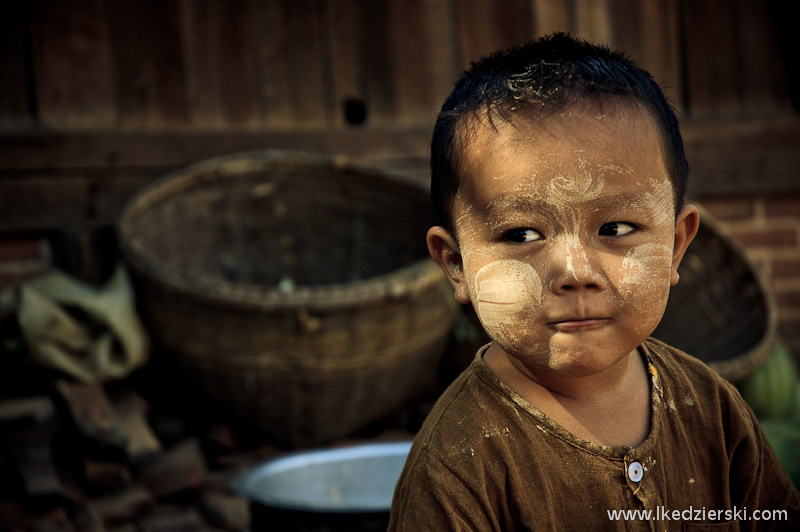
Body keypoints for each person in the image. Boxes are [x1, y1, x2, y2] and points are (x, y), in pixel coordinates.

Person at [388, 33, 800, 531]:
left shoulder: (713, 409)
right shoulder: (457, 466)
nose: (575, 272)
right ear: (456, 265)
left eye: (616, 229)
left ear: (674, 246)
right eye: (522, 234)